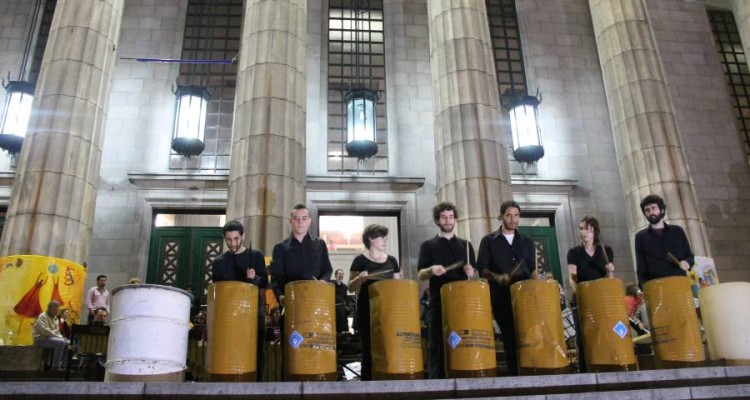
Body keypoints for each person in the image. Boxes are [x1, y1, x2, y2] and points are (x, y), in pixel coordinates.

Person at [417, 202, 476, 379]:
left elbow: (472, 278)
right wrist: (431, 269)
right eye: (444, 217)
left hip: (461, 303)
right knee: (436, 343)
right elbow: (420, 274)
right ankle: (437, 384)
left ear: (455, 219)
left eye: (451, 217)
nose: (448, 221)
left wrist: (471, 273)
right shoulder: (428, 245)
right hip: (438, 301)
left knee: (460, 341)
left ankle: (461, 376)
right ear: (437, 219)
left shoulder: (466, 245)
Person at [477, 200, 535, 376]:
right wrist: (497, 277)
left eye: (516, 215)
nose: (513, 219)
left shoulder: (527, 241)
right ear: (501, 216)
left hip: (524, 295)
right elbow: (482, 269)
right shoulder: (488, 241)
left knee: (527, 334)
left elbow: (532, 268)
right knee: (509, 334)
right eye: (509, 215)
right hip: (500, 296)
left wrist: (537, 278)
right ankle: (514, 376)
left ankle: (530, 370)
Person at [210, 220, 268, 381]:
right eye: (228, 239)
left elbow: (265, 283)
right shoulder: (219, 262)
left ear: (243, 236)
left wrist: (254, 278)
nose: (232, 243)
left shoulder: (256, 256)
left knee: (256, 349)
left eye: (236, 238)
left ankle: (257, 383)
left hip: (254, 311)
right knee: (229, 348)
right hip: (228, 315)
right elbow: (217, 290)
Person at [348, 224, 402, 381]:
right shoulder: (359, 260)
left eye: (386, 236)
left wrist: (400, 281)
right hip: (366, 311)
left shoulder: (392, 261)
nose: (385, 239)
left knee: (389, 349)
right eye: (382, 236)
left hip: (388, 312)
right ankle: (367, 389)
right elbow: (351, 287)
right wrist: (360, 279)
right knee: (368, 352)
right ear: (371, 239)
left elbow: (397, 286)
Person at [566, 214, 615, 372]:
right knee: (583, 337)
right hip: (581, 299)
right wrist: (581, 294)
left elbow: (610, 280)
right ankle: (585, 370)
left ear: (595, 231)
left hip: (600, 300)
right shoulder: (574, 252)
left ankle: (605, 365)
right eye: (581, 229)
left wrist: (611, 272)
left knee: (605, 331)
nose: (584, 232)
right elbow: (572, 278)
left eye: (588, 229)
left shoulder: (605, 251)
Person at [269, 204, 333, 297]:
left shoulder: (320, 244)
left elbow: (327, 270)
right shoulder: (280, 248)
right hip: (291, 297)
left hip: (315, 296)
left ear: (309, 221)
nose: (300, 222)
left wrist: (322, 282)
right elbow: (276, 278)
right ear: (290, 221)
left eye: (304, 218)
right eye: (296, 218)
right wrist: (281, 296)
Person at [635, 194, 695, 288]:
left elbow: (689, 256)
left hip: (680, 284)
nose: (651, 212)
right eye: (647, 210)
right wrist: (644, 287)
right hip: (657, 287)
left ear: (662, 210)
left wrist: (687, 262)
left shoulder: (677, 231)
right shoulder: (640, 237)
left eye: (653, 208)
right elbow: (641, 267)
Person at [32, 300, 70, 369]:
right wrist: (60, 338)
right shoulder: (42, 316)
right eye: (55, 310)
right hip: (40, 339)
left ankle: (63, 366)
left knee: (68, 342)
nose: (56, 312)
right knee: (61, 342)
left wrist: (61, 337)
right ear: (49, 308)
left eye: (57, 310)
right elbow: (45, 331)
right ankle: (55, 367)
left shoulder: (55, 318)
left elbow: (57, 331)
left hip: (50, 338)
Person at [332, 269, 350, 334]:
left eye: (342, 274)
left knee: (342, 326)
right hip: (333, 308)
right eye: (339, 274)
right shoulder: (331, 285)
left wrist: (347, 307)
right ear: (336, 275)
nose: (341, 275)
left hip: (341, 309)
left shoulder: (345, 287)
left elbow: (345, 298)